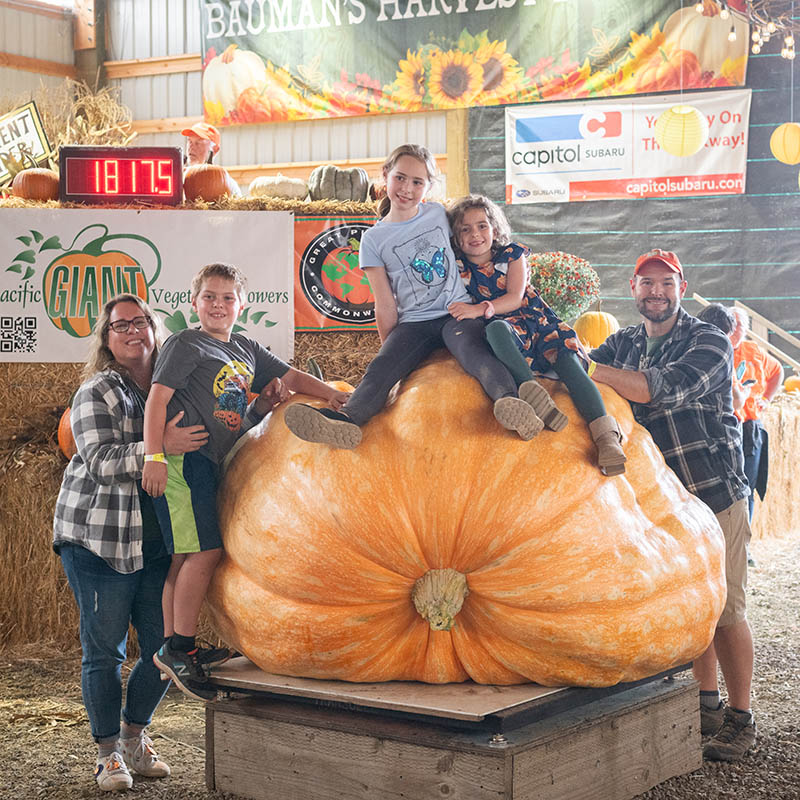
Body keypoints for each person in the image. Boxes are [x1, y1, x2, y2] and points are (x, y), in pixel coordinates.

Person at [142, 262, 346, 700]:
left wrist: (328, 393)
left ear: (242, 304)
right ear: (194, 303)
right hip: (183, 463)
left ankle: (174, 646)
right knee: (204, 552)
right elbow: (156, 400)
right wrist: (154, 456)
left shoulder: (246, 348)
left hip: (208, 461)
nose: (218, 305)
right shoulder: (185, 343)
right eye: (209, 297)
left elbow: (289, 378)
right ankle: (178, 648)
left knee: (185, 557)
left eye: (227, 298)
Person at [588, 249, 756, 762]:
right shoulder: (623, 342)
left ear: (681, 288)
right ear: (633, 289)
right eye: (647, 283)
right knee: (687, 604)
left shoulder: (708, 340)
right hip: (658, 504)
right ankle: (705, 704)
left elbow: (658, 390)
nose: (656, 292)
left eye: (666, 283)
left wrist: (588, 368)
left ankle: (742, 718)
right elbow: (584, 376)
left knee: (725, 610)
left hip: (712, 491)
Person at [284, 144, 555, 448]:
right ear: (385, 175)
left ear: (428, 186)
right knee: (380, 368)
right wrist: (391, 349)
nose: (407, 189)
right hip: (414, 323)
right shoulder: (373, 240)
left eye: (417, 182)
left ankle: (510, 402)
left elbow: (475, 239)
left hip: (456, 313)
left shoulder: (438, 214)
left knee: (474, 353)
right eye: (400, 178)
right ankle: (346, 420)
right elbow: (384, 302)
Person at [53, 294, 209, 792]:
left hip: (158, 541)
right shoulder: (97, 390)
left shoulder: (173, 386)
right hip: (99, 539)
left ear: (154, 330)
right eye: (120, 325)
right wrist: (158, 447)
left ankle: (133, 736)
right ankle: (106, 755)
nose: (132, 331)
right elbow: (98, 460)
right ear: (107, 338)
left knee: (164, 647)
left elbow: (213, 430)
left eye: (140, 322)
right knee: (105, 652)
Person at [446, 194, 626, 476]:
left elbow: (515, 298)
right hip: (508, 331)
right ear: (456, 238)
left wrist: (477, 309)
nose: (475, 235)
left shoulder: (512, 255)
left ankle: (606, 438)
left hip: (538, 323)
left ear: (494, 228)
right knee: (494, 330)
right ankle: (531, 391)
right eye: (465, 229)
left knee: (570, 366)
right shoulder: (458, 267)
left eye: (482, 226)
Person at [728, 306, 782, 522]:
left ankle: (745, 538)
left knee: (747, 487)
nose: (735, 329)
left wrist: (767, 399)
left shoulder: (754, 352)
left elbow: (777, 371)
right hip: (724, 426)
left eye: (740, 325)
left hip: (749, 426)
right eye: (731, 324)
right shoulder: (714, 350)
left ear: (746, 329)